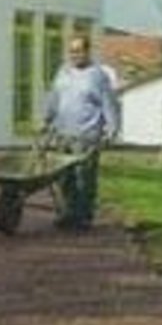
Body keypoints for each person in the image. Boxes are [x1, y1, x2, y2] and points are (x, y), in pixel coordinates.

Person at [42, 34, 120, 230]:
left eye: (78, 51)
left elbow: (109, 103)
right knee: (64, 177)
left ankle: (84, 217)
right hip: (62, 134)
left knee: (84, 178)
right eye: (72, 51)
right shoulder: (63, 72)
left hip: (87, 135)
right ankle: (69, 213)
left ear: (87, 52)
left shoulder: (98, 75)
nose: (75, 55)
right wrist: (46, 119)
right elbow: (54, 98)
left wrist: (112, 128)